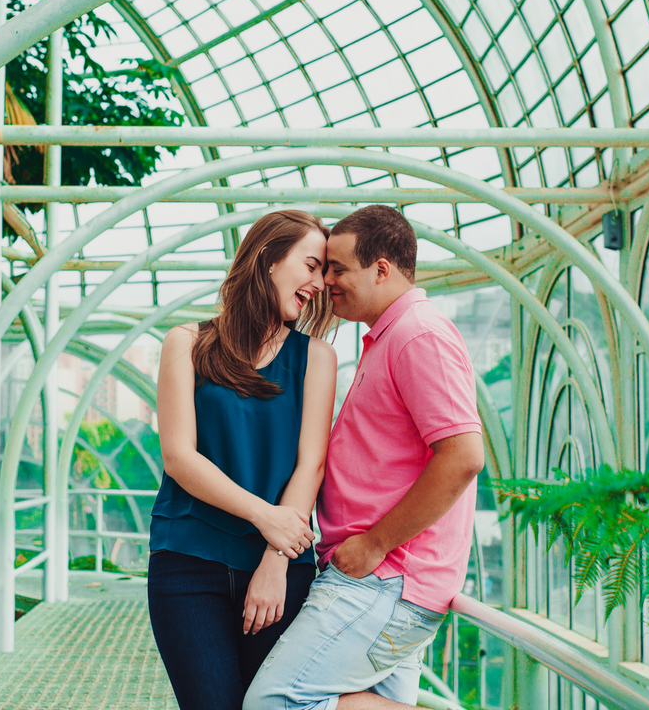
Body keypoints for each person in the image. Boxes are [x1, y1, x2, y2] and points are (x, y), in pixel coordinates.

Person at [244, 205, 485, 710]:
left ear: (382, 269)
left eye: (338, 268)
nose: (327, 281)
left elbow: (463, 456)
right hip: (382, 580)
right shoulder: (391, 337)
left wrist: (375, 544)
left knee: (274, 702)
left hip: (383, 580)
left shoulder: (419, 335)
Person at [148, 209, 339, 710]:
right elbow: (179, 457)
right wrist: (265, 516)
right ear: (267, 258)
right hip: (187, 566)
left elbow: (310, 466)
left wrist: (276, 560)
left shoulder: (316, 357)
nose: (320, 283)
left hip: (279, 568)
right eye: (312, 265)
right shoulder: (185, 343)